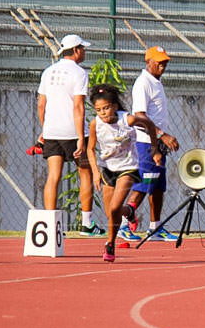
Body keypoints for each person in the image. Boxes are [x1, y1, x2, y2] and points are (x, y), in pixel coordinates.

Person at [86, 84, 161, 262]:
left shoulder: (127, 120)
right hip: (107, 168)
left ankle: (110, 244)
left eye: (106, 108)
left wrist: (154, 149)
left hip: (128, 167)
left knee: (113, 208)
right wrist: (96, 172)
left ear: (114, 106)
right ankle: (129, 211)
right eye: (98, 110)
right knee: (111, 213)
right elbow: (90, 149)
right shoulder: (95, 123)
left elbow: (149, 125)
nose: (103, 113)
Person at [37, 34, 98, 234]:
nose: (85, 52)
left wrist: (44, 129)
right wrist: (81, 137)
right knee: (85, 173)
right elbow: (78, 106)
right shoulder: (79, 73)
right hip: (72, 131)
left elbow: (41, 105)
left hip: (51, 131)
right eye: (83, 48)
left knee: (53, 176)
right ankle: (87, 224)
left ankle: (50, 227)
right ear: (76, 50)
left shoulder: (48, 71)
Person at [119, 45, 181, 242]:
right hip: (146, 143)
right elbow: (139, 115)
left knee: (157, 186)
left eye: (165, 62)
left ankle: (155, 227)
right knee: (144, 182)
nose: (162, 66)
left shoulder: (156, 82)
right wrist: (162, 135)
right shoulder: (143, 83)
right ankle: (122, 225)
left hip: (157, 144)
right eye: (159, 62)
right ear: (148, 62)